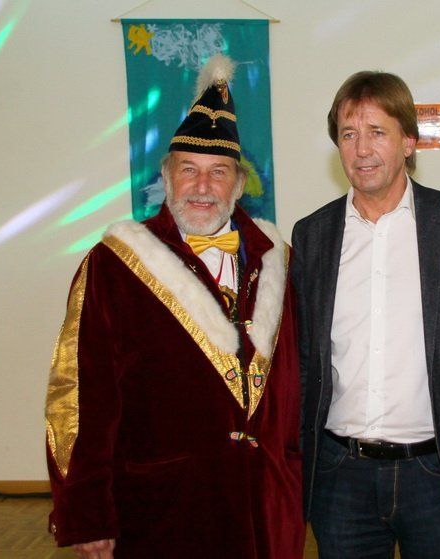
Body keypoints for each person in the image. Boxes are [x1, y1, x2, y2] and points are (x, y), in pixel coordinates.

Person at [45, 55, 304, 558]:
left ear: (239, 184)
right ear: (166, 178)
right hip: (162, 511)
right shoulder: (113, 266)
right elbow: (79, 397)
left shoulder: (280, 261)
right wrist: (87, 512)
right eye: (188, 170)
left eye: (218, 172)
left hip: (265, 509)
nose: (203, 187)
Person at [292, 71, 440, 559]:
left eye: (377, 132)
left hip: (437, 473)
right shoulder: (312, 235)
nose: (362, 149)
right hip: (339, 477)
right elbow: (305, 361)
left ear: (409, 142)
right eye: (349, 134)